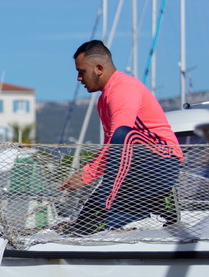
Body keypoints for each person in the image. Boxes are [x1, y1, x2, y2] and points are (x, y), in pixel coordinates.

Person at [59, 40, 183, 235]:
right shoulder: (104, 99)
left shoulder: (123, 89)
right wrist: (86, 171)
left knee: (123, 135)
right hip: (136, 169)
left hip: (162, 162)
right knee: (85, 226)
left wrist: (87, 175)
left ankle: (158, 195)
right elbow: (112, 147)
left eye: (81, 71)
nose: (78, 78)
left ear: (99, 68)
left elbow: (120, 140)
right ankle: (161, 202)